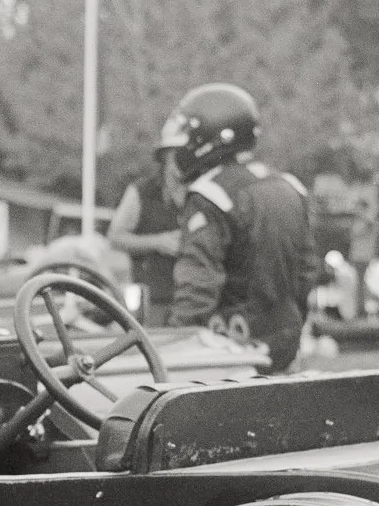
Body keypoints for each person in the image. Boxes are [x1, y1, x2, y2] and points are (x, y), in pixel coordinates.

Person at [163, 83, 321, 371]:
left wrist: (175, 343)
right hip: (284, 340)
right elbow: (306, 271)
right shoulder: (288, 185)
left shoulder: (211, 195)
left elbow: (198, 285)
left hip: (230, 347)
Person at [105, 142, 186, 324]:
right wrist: (158, 242)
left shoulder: (202, 191)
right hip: (152, 299)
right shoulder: (141, 191)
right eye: (178, 155)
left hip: (189, 298)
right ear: (165, 157)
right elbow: (115, 237)